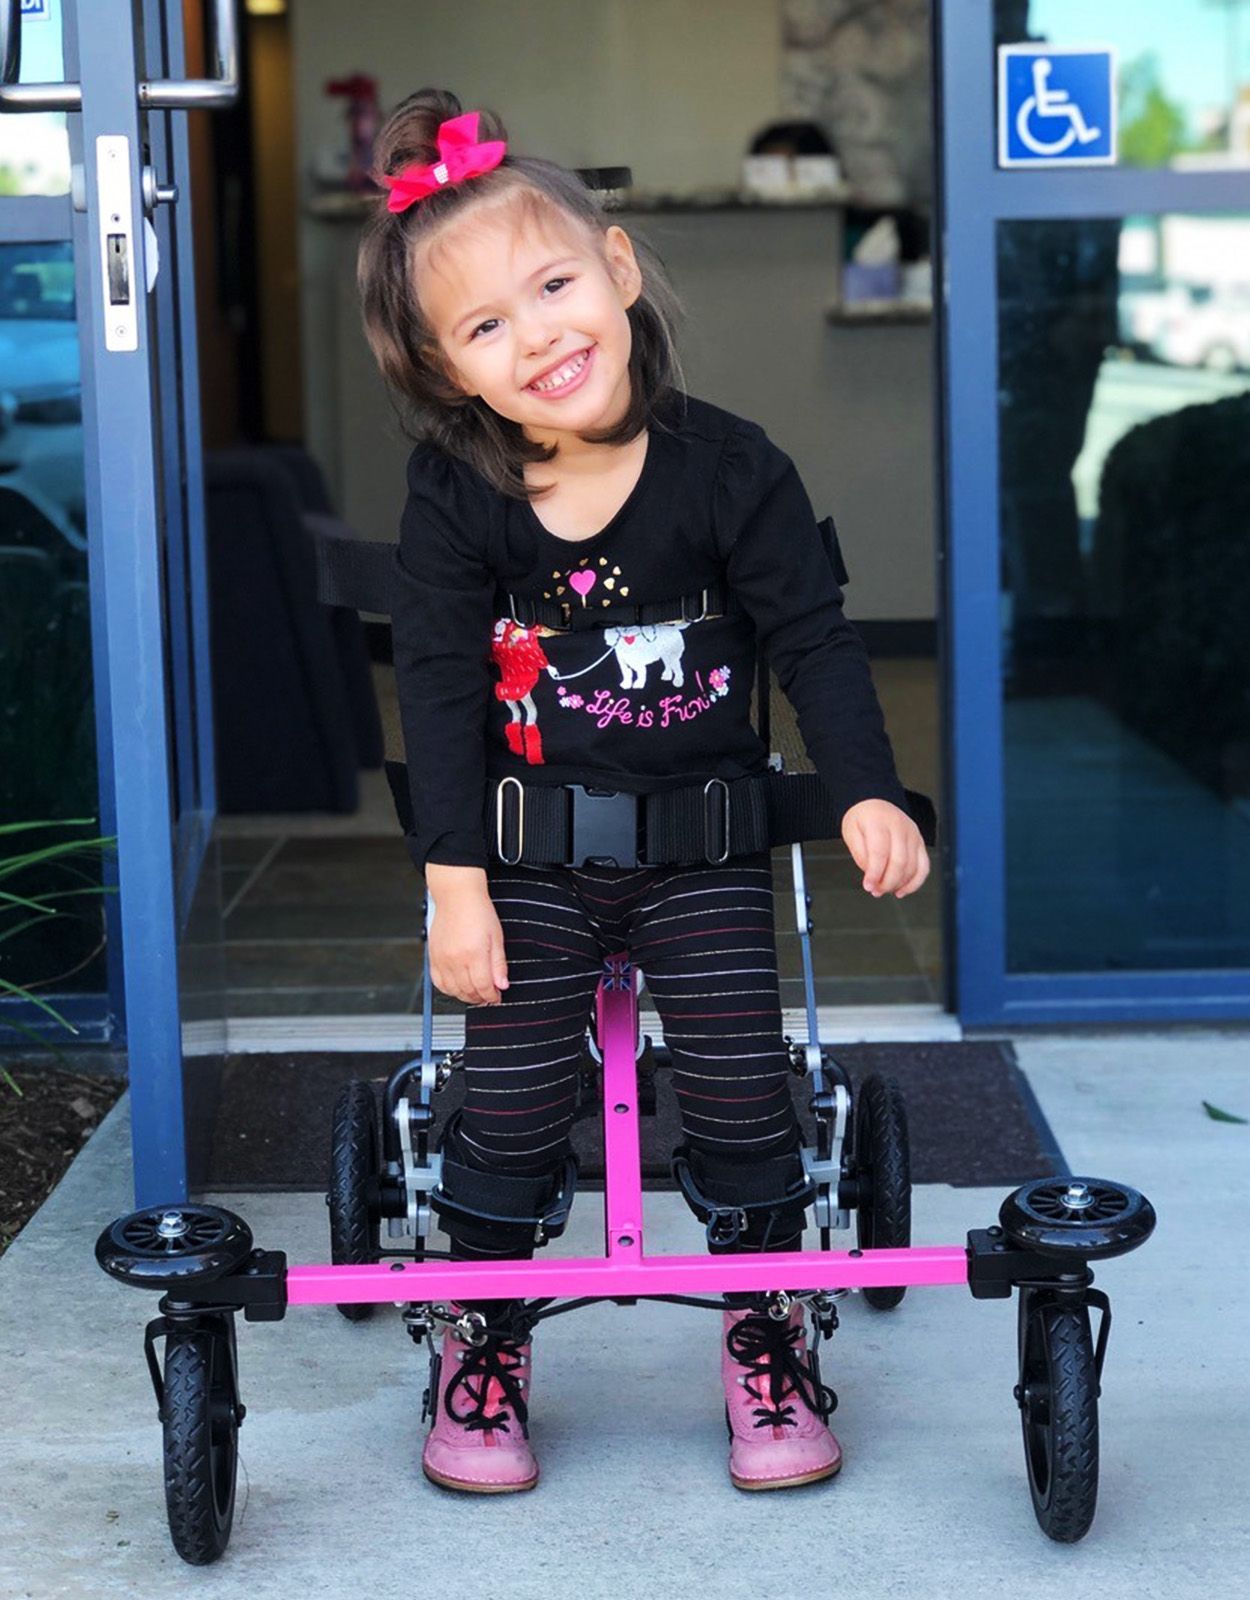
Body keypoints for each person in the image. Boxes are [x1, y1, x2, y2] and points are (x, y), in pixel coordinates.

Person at [357, 87, 930, 1497]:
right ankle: (481, 1340)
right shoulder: (456, 496)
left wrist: (866, 789)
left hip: (704, 851)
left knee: (742, 1099)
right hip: (529, 861)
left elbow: (811, 639)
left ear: (615, 269)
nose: (538, 335)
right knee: (506, 1100)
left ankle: (765, 1330)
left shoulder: (731, 471)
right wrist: (453, 890)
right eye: (484, 326)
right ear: (446, 373)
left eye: (551, 286)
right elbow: (434, 690)